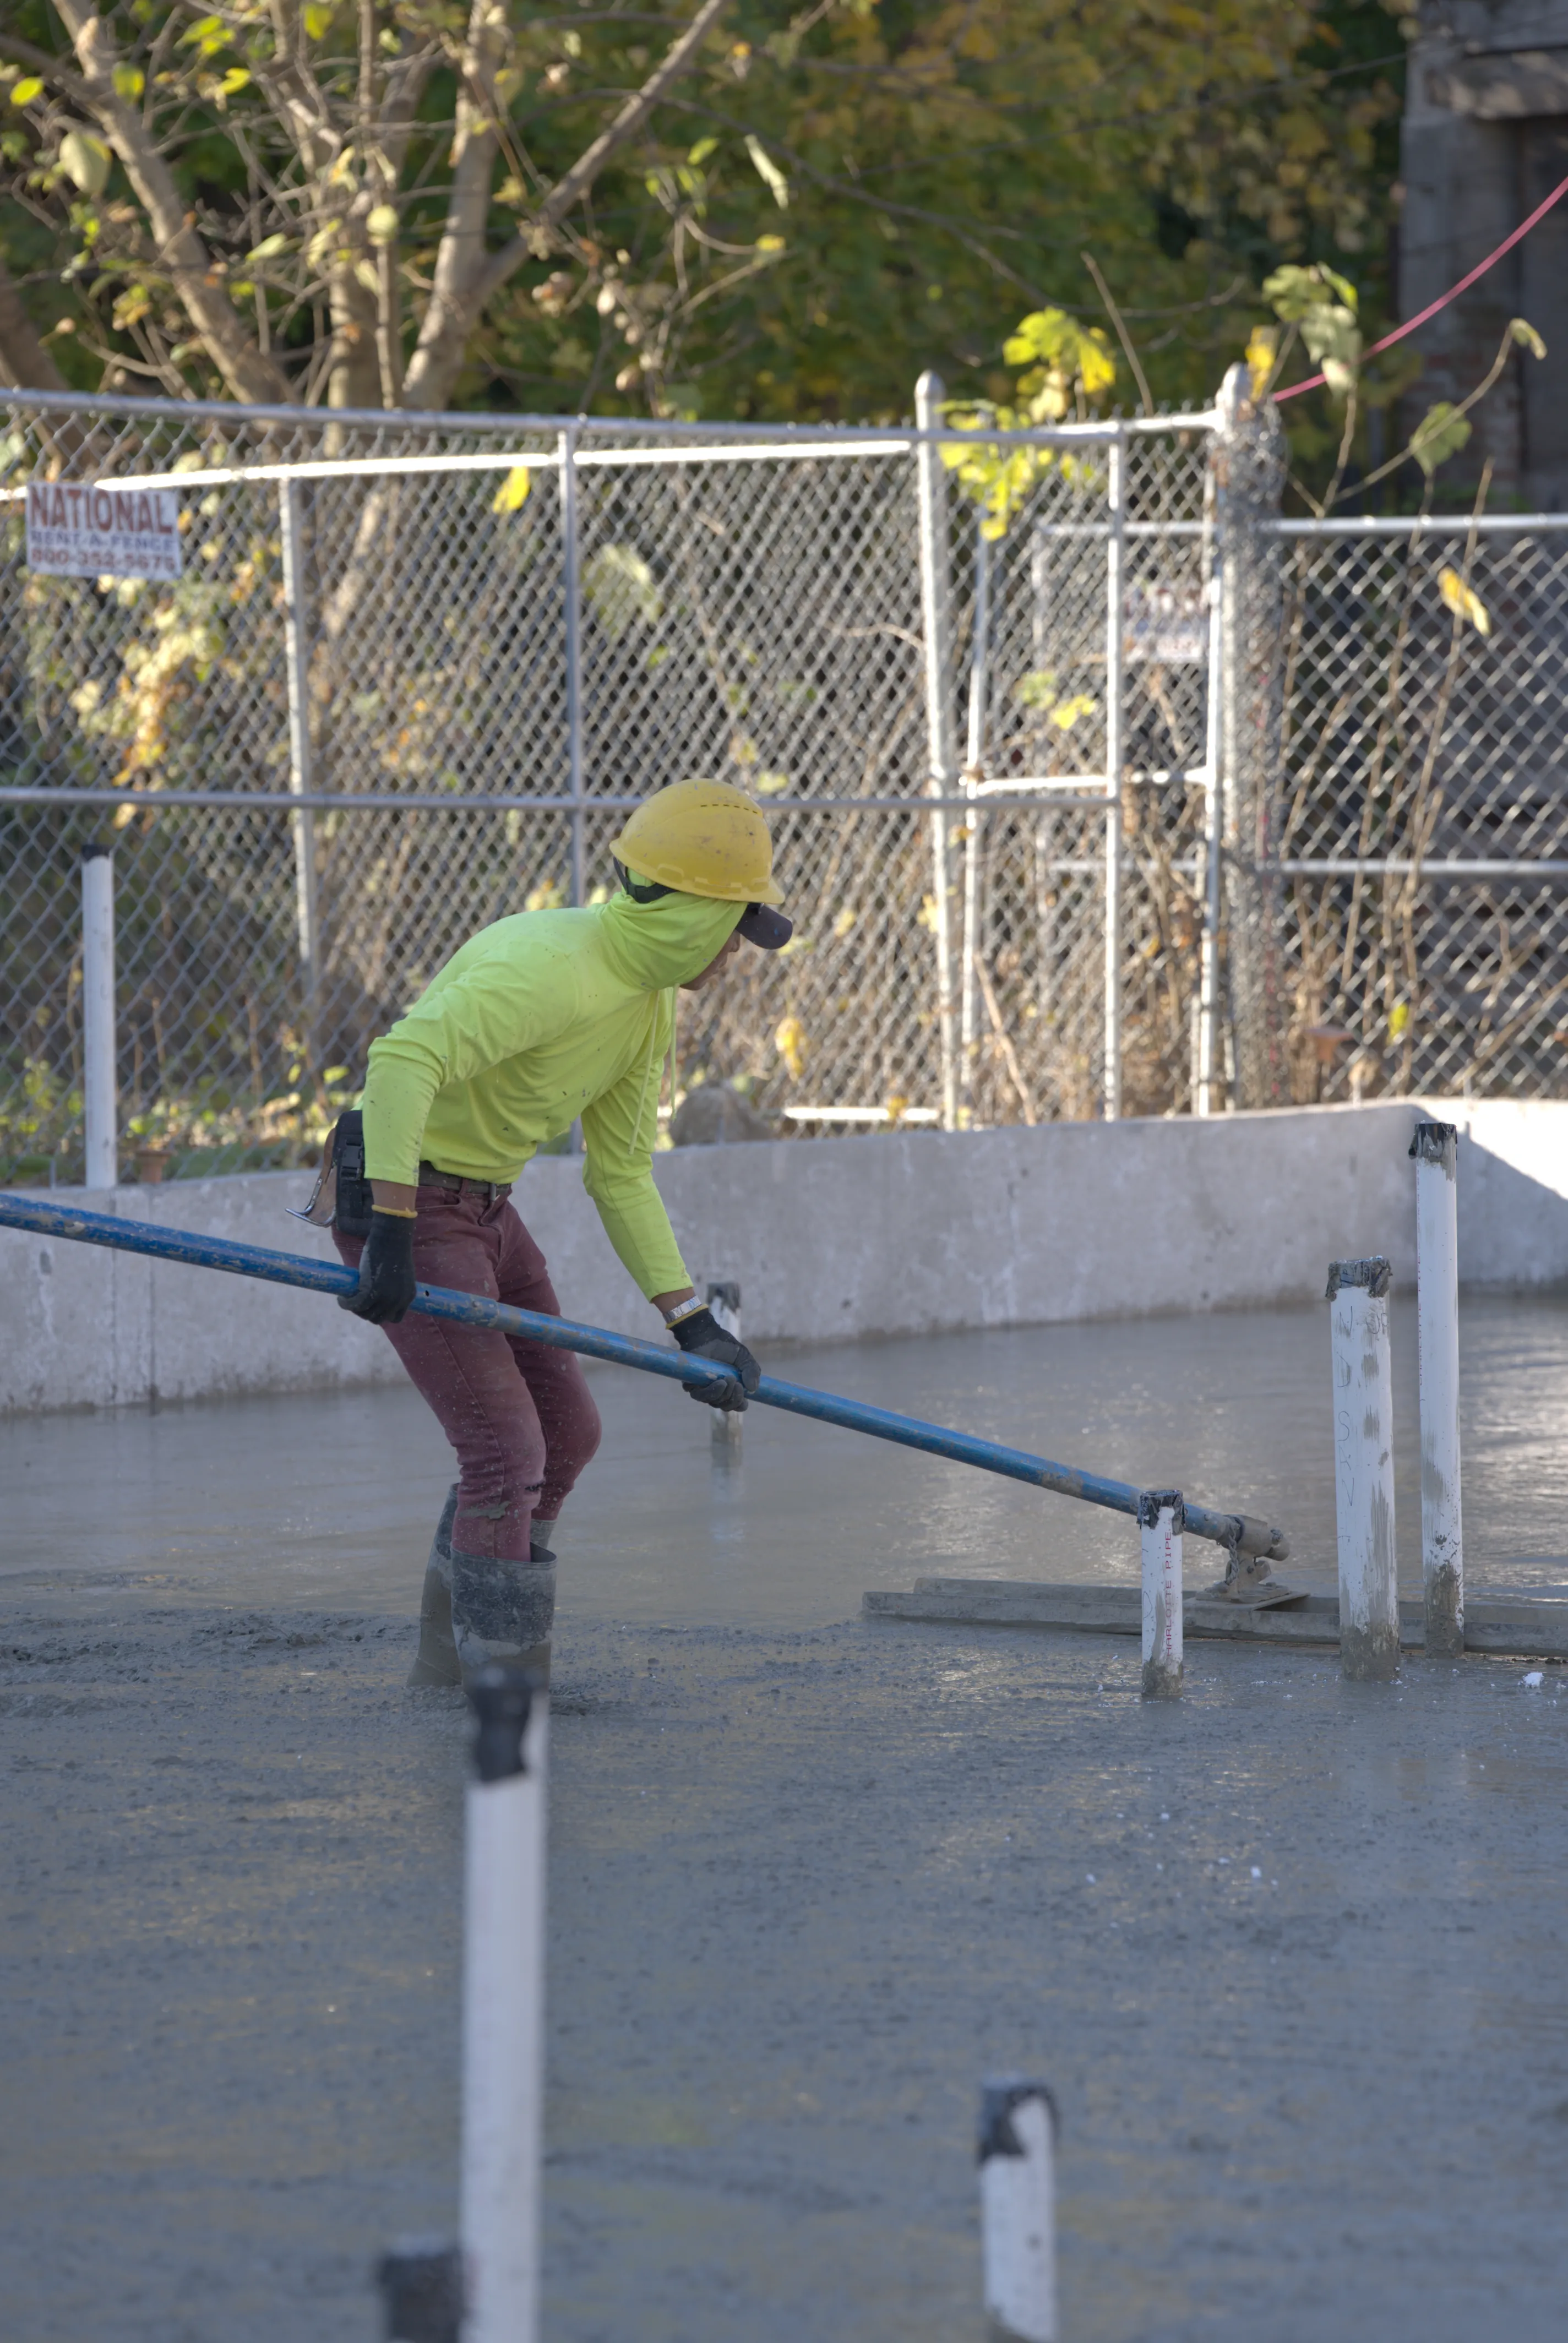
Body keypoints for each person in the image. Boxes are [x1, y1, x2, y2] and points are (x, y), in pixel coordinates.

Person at [332, 778, 791, 1688]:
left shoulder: (645, 1002)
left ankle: (455, 1660)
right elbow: (402, 1061)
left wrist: (691, 1321)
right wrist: (386, 1230)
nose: (739, 953)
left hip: (485, 1206)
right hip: (405, 1193)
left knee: (566, 1434)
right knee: (506, 1451)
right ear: (691, 915)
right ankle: (502, 1691)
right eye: (735, 926)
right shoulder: (550, 966)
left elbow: (619, 1172)